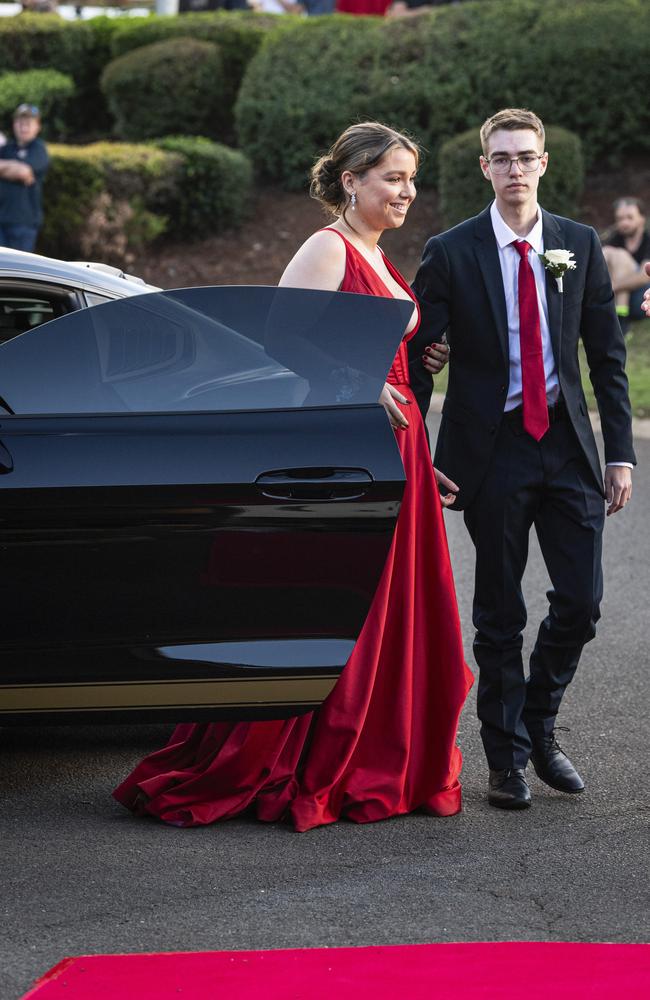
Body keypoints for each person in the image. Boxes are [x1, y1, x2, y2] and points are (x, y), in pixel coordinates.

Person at [113, 122, 472, 832]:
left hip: (396, 448)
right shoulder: (326, 247)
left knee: (392, 610)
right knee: (342, 607)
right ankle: (309, 759)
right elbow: (279, 345)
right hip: (346, 449)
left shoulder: (377, 250)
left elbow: (367, 343)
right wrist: (363, 382)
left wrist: (415, 368)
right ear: (352, 181)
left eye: (410, 179)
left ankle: (385, 751)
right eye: (392, 178)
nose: (407, 192)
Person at [410, 107, 635, 810]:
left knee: (583, 601)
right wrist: (420, 419)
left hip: (567, 447)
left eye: (525, 157)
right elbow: (414, 355)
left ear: (543, 164)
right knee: (499, 613)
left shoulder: (579, 243)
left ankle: (539, 720)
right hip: (490, 450)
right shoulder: (451, 250)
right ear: (485, 167)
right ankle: (505, 761)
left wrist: (621, 454)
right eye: (501, 158)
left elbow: (607, 356)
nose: (514, 169)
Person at [0, 104, 49, 253]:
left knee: (18, 271)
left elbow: (23, 172)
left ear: (37, 126)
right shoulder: (7, 148)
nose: (24, 127)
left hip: (24, 224)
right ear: (15, 124)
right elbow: (20, 170)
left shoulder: (38, 149)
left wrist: (8, 168)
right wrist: (13, 167)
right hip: (1, 221)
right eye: (21, 123)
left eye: (28, 123)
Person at [601, 197, 650, 330]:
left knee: (619, 255)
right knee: (606, 251)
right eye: (620, 219)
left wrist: (612, 286)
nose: (624, 223)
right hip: (617, 296)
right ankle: (617, 318)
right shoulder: (614, 239)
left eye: (629, 217)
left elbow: (644, 276)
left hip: (642, 297)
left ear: (642, 218)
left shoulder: (648, 240)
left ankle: (620, 321)